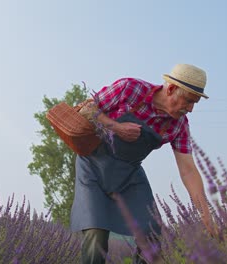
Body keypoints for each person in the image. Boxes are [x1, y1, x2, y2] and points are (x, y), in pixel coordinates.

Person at [70, 64, 217, 263]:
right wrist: (116, 127)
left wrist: (205, 213)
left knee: (152, 231)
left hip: (129, 173)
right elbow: (84, 108)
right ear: (171, 89)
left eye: (195, 104)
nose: (190, 109)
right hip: (94, 166)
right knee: (96, 232)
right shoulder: (130, 89)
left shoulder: (179, 125)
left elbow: (188, 170)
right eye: (189, 101)